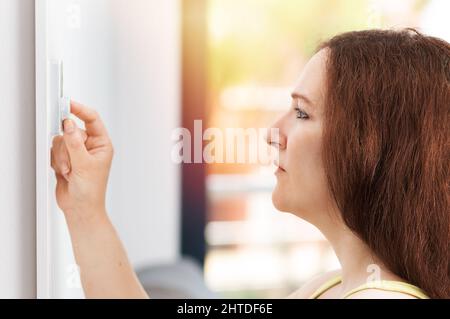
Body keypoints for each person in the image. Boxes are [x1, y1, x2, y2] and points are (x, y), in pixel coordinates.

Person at [50, 28, 450, 299]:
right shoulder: (330, 287)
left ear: (370, 147)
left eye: (302, 113)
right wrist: (86, 208)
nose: (272, 132)